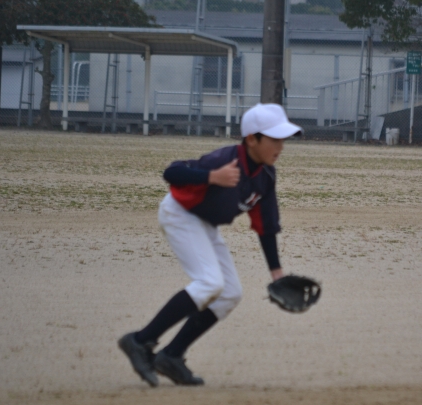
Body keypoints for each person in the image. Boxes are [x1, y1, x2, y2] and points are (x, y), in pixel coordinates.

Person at [118, 103, 302, 387]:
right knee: (209, 283)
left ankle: (171, 356)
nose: (281, 146)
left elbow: (265, 226)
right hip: (180, 214)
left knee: (229, 293)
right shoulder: (224, 160)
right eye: (274, 138)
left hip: (205, 224)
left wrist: (277, 274)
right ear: (252, 139)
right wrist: (211, 177)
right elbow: (172, 172)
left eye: (283, 139)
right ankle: (140, 341)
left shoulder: (265, 176)